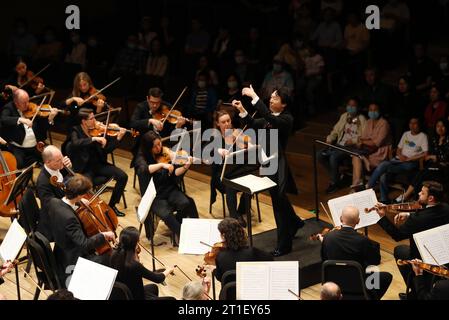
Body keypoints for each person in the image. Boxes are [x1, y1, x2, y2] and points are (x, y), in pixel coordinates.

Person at [233, 86, 304, 257]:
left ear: (284, 104)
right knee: (279, 199)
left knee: (278, 207)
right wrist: (242, 110)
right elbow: (254, 123)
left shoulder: (286, 119)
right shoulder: (268, 118)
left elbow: (269, 117)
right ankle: (295, 222)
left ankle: (284, 245)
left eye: (276, 98)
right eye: (271, 97)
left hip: (278, 167)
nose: (271, 100)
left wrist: (255, 97)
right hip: (267, 165)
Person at [373, 181, 449, 298]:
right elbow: (429, 214)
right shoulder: (445, 208)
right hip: (444, 255)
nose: (418, 193)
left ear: (431, 198)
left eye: (422, 193)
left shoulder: (417, 219)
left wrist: (382, 216)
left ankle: (415, 290)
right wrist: (409, 215)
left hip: (422, 258)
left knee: (400, 251)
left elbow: (397, 235)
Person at [49, 174, 115, 285]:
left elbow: (68, 204)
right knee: (111, 258)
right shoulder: (69, 218)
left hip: (60, 250)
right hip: (72, 260)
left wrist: (78, 201)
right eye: (84, 193)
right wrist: (104, 235)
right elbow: (84, 244)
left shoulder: (54, 202)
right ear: (79, 195)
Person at [134, 131, 199, 240]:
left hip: (169, 189)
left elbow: (174, 173)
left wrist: (185, 166)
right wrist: (161, 165)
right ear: (148, 147)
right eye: (155, 146)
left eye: (160, 144)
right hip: (154, 195)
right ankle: (184, 237)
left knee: (186, 202)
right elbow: (143, 170)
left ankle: (184, 226)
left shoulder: (165, 153)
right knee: (167, 214)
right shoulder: (141, 157)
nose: (159, 148)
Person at [64, 108, 128, 217]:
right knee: (86, 188)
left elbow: (106, 150)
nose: (95, 120)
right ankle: (88, 212)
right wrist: (93, 139)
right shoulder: (76, 130)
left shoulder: (97, 130)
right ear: (84, 121)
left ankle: (112, 206)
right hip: (85, 169)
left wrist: (118, 139)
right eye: (92, 118)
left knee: (123, 176)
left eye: (94, 117)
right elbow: (75, 143)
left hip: (99, 165)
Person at [320, 206, 392, 300]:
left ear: (341, 218)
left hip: (334, 282)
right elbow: (375, 261)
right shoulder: (363, 240)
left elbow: (324, 258)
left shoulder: (328, 237)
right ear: (358, 221)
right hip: (358, 284)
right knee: (382, 274)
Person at [367, 117, 428, 203]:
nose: (412, 125)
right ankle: (384, 200)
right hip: (398, 160)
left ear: (419, 125)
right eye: (411, 123)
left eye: (415, 123)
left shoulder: (423, 136)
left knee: (384, 165)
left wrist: (410, 158)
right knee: (383, 174)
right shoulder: (406, 134)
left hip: (410, 163)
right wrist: (400, 155)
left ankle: (368, 187)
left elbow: (425, 153)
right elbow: (399, 148)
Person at [109, 226, 175, 300]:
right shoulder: (134, 265)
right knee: (172, 299)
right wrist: (168, 270)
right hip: (137, 298)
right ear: (135, 243)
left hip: (126, 295)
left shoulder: (114, 255)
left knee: (153, 287)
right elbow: (158, 279)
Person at [317, 97, 367, 194]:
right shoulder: (344, 116)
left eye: (353, 106)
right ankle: (336, 175)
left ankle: (334, 183)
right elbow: (335, 130)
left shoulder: (362, 119)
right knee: (320, 155)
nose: (351, 107)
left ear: (358, 107)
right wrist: (330, 138)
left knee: (333, 157)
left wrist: (352, 140)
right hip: (339, 144)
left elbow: (364, 136)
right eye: (349, 105)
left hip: (350, 148)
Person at [210, 110, 251, 227]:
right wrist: (218, 150)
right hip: (221, 175)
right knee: (230, 185)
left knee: (250, 181)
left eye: (228, 121)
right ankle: (234, 216)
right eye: (223, 122)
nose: (227, 124)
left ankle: (241, 210)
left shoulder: (236, 133)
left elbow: (249, 146)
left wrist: (247, 144)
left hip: (236, 171)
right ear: (218, 124)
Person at [129, 87, 186, 167]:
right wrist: (150, 120)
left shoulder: (167, 108)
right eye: (152, 102)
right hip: (144, 146)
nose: (155, 105)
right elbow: (132, 123)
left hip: (163, 146)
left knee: (179, 163)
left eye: (158, 102)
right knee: (148, 166)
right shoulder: (141, 107)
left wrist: (178, 127)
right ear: (147, 99)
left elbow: (172, 135)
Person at [1, 89, 57, 168]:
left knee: (51, 159)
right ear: (16, 103)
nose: (27, 104)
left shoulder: (33, 107)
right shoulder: (9, 108)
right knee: (17, 165)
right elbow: (3, 119)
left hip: (36, 146)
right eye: (24, 103)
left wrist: (50, 119)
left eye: (28, 100)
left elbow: (43, 127)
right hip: (18, 147)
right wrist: (20, 119)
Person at [397, 119, 449, 202]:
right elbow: (429, 156)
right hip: (433, 167)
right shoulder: (435, 139)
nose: (440, 128)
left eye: (442, 126)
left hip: (444, 169)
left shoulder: (447, 140)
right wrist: (434, 157)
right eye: (438, 126)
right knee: (420, 175)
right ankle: (416, 199)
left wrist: (436, 157)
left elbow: (444, 157)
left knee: (422, 174)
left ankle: (407, 196)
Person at [351, 102, 392, 190]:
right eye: (370, 110)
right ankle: (357, 183)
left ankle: (356, 186)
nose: (372, 112)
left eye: (375, 110)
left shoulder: (384, 124)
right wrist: (363, 141)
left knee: (357, 157)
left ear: (379, 111)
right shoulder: (369, 122)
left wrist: (363, 141)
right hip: (368, 150)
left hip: (379, 153)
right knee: (356, 156)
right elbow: (364, 137)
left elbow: (377, 143)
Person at [36, 145, 72, 240]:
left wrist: (69, 169)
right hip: (54, 221)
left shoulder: (56, 168)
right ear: (48, 162)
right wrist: (73, 200)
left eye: (62, 158)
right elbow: (52, 206)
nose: (62, 162)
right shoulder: (42, 183)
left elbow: (64, 180)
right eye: (58, 160)